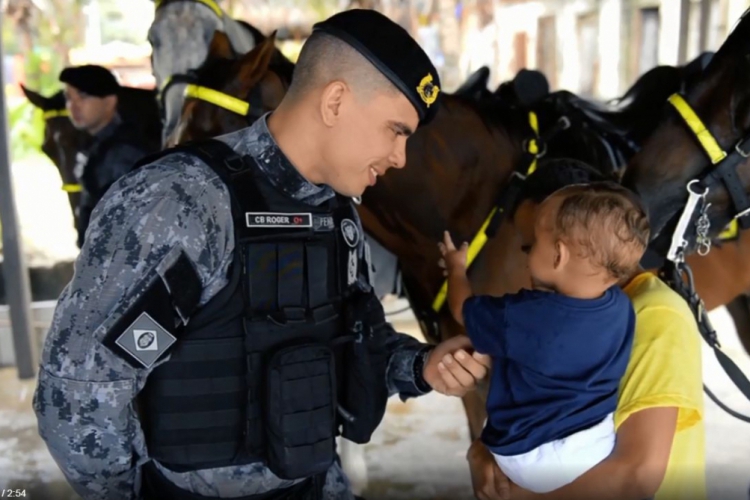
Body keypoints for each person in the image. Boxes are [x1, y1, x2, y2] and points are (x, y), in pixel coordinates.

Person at [33, 9, 489, 500]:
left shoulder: (336, 214)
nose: (400, 157)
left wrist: (420, 367)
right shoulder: (183, 203)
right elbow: (79, 392)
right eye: (395, 130)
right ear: (335, 101)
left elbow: (356, 339)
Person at [466, 158, 706, 500]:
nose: (528, 263)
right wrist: (482, 450)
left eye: (531, 245)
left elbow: (636, 476)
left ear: (567, 249)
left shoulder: (655, 315)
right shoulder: (575, 317)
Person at [438, 182, 649, 493]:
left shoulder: (525, 315)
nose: (527, 252)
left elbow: (461, 309)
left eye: (533, 242)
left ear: (559, 255)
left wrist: (456, 269)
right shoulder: (620, 307)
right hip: (596, 444)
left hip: (528, 456)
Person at [59, 64, 152, 247]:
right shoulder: (97, 144)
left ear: (109, 101)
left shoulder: (124, 152)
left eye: (83, 97)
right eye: (69, 98)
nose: (73, 106)